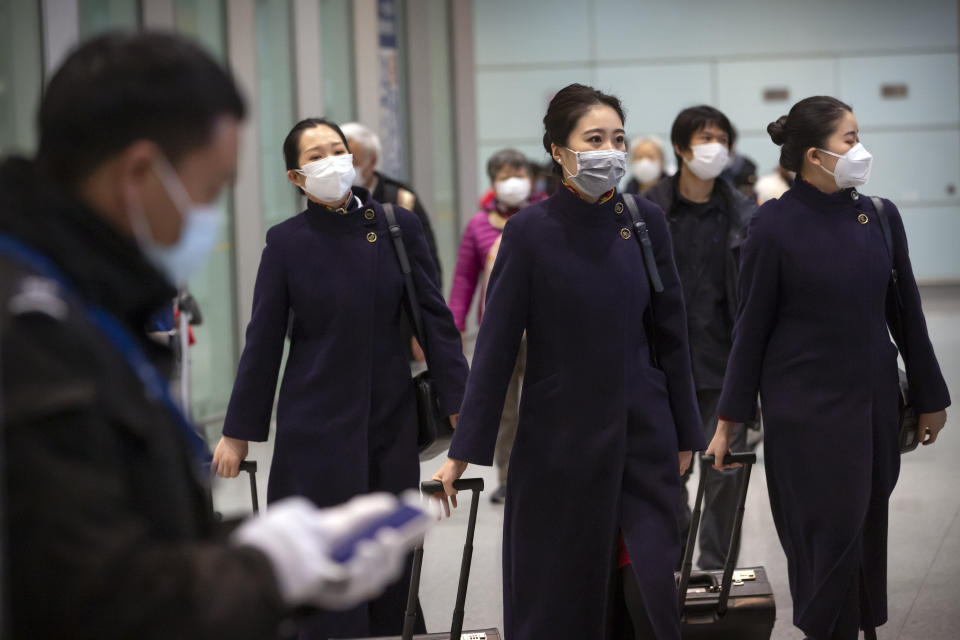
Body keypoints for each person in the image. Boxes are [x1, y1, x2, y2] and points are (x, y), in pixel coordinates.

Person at [0, 32, 423, 639]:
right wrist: (264, 571)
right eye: (211, 187)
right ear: (142, 173)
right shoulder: (33, 333)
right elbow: (87, 589)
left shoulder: (85, 297)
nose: (210, 214)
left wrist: (240, 551)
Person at [431, 83, 705, 640]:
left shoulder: (645, 220)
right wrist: (460, 456)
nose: (610, 149)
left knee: (648, 599)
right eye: (595, 138)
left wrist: (686, 432)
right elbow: (496, 349)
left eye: (618, 138)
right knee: (563, 606)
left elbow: (672, 333)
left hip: (642, 438)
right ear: (559, 150)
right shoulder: (529, 232)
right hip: (558, 449)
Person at [212, 117, 469, 639]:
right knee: (320, 567)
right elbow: (262, 341)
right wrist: (237, 433)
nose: (332, 160)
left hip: (388, 420)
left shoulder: (398, 226)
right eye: (316, 154)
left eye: (338, 149)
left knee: (389, 560)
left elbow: (436, 323)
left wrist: (465, 412)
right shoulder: (286, 243)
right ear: (296, 176)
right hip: (313, 429)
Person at [707, 96, 950, 640]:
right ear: (816, 156)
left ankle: (858, 626)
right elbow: (750, 329)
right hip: (804, 416)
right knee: (826, 536)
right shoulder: (771, 226)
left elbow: (906, 310)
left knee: (863, 529)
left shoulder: (880, 217)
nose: (860, 149)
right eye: (849, 138)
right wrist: (730, 420)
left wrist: (931, 396)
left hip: (872, 408)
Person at [643, 105, 757, 572]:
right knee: (665, 475)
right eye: (704, 137)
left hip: (723, 364)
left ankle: (715, 571)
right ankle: (678, 560)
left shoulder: (744, 213)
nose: (715, 146)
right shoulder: (648, 209)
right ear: (680, 147)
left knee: (725, 474)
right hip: (661, 369)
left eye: (722, 138)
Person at [448, 149, 545, 504]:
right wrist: (455, 324)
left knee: (539, 406)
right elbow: (463, 280)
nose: (513, 182)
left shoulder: (546, 217)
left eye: (518, 174)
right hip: (499, 333)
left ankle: (540, 472)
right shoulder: (479, 226)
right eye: (504, 176)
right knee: (504, 410)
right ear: (492, 183)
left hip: (543, 333)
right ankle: (506, 477)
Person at [342, 122, 443, 363]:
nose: (346, 168)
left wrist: (425, 329)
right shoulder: (331, 202)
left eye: (353, 160)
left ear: (372, 161)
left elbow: (428, 269)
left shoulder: (401, 200)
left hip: (398, 323)